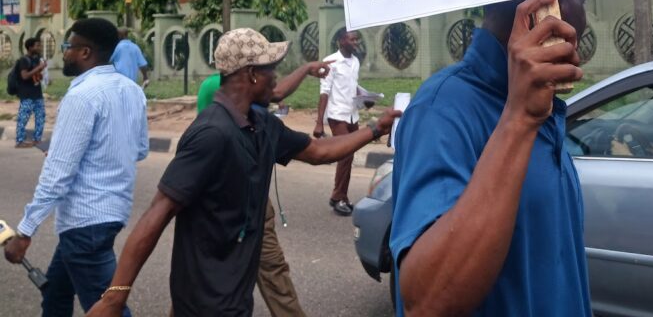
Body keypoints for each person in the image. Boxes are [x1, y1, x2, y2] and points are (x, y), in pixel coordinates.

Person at [84, 27, 399, 317]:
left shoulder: (262, 125)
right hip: (203, 303)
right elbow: (157, 213)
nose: (276, 78)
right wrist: (115, 297)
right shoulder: (211, 134)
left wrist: (375, 129)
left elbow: (319, 152)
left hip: (235, 297)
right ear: (250, 75)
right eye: (270, 69)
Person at [390, 0, 591, 317]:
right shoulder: (443, 108)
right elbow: (427, 301)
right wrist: (519, 118)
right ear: (549, 7)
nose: (585, 12)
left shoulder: (543, 107)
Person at [4, 18, 148, 317]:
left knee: (109, 308)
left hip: (86, 222)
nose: (64, 53)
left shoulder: (82, 96)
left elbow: (58, 173)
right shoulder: (132, 90)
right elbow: (141, 149)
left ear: (85, 52)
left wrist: (25, 232)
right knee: (55, 294)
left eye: (68, 47)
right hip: (108, 215)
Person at [193, 56, 334, 317]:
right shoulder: (217, 87)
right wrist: (305, 69)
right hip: (223, 203)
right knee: (209, 277)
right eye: (264, 67)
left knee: (269, 270)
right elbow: (277, 93)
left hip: (251, 198)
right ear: (247, 73)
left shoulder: (228, 93)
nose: (272, 74)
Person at [314, 28, 374, 216]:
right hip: (337, 115)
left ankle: (341, 197)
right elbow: (324, 92)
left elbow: (351, 86)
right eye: (352, 39)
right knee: (345, 155)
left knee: (349, 154)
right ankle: (338, 196)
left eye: (357, 39)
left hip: (352, 115)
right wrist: (319, 123)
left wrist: (366, 99)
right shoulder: (331, 62)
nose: (356, 42)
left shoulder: (355, 61)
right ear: (341, 41)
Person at [14, 36, 46, 148]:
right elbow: (25, 76)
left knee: (41, 117)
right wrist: (39, 68)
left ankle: (37, 139)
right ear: (30, 47)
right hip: (27, 94)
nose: (39, 47)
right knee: (23, 118)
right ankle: (20, 141)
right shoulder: (24, 60)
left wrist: (42, 73)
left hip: (37, 93)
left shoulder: (37, 59)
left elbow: (35, 75)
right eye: (37, 45)